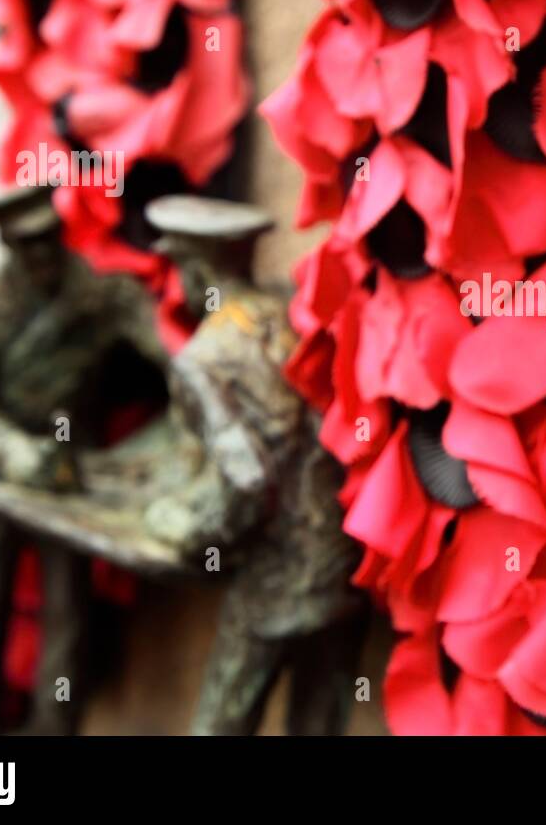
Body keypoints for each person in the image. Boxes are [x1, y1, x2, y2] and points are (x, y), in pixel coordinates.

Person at [0, 183, 167, 734]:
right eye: (27, 245)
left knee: (69, 612)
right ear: (7, 246)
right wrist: (12, 449)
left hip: (68, 472)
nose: (42, 254)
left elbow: (169, 355)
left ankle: (55, 729)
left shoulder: (101, 295)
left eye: (49, 239)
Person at [143, 195, 365, 735]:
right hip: (347, 559)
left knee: (224, 720)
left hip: (278, 574)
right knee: (319, 721)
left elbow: (246, 477)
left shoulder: (204, 359)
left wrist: (192, 533)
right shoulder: (294, 309)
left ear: (196, 271)